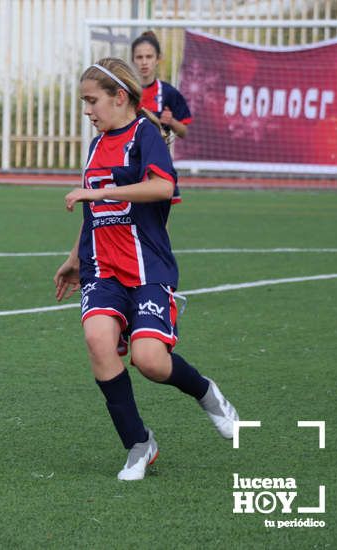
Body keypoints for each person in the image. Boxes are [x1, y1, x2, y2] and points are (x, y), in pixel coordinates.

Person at [53, 58, 238, 481]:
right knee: (97, 339)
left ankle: (206, 393)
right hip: (102, 268)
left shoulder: (145, 136)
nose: (87, 110)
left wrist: (96, 192)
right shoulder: (97, 144)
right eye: (84, 101)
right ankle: (139, 445)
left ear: (120, 97)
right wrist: (75, 258)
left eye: (92, 100)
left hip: (148, 269)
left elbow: (163, 186)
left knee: (151, 361)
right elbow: (96, 212)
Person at [131, 31, 192, 140]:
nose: (144, 62)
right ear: (133, 59)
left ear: (158, 59)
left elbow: (185, 132)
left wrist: (171, 121)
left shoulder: (169, 92)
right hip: (130, 155)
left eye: (149, 57)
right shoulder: (126, 92)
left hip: (159, 155)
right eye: (139, 57)